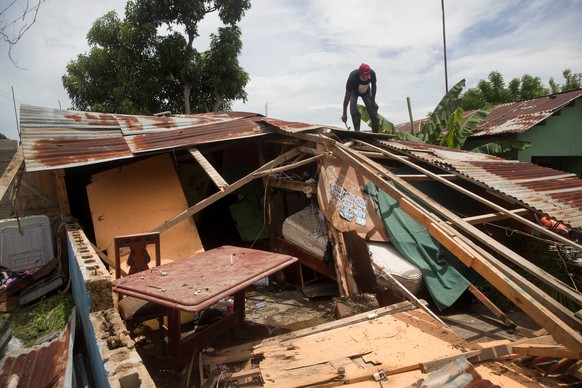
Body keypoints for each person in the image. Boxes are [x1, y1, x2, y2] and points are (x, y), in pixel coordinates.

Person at [342, 63, 379, 132]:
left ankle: (376, 132)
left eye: (366, 77)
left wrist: (373, 101)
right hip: (354, 92)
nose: (365, 78)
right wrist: (344, 113)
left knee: (372, 109)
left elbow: (374, 86)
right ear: (359, 73)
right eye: (363, 76)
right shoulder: (352, 78)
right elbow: (346, 98)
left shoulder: (372, 73)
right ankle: (357, 130)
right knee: (353, 106)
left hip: (366, 92)